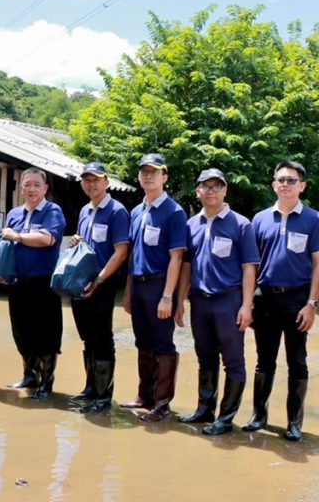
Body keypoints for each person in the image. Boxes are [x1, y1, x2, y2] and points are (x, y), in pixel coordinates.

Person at [174, 169, 259, 435]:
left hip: (229, 300)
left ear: (225, 190)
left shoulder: (241, 224)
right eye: (206, 186)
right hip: (200, 300)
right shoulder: (191, 224)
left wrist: (246, 305)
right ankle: (205, 409)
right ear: (198, 191)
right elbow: (187, 265)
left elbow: (249, 267)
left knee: (233, 361)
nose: (211, 191)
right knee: (205, 357)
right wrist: (180, 301)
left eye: (217, 186)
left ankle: (226, 418)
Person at [244, 160, 319, 441]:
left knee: (297, 361)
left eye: (291, 180)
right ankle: (258, 416)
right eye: (281, 180)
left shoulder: (313, 219)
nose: (285, 184)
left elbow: (318, 264)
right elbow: (251, 265)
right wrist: (247, 302)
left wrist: (312, 305)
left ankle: (294, 422)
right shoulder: (260, 219)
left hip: (298, 299)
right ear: (274, 185)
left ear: (302, 186)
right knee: (264, 361)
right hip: (265, 299)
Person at [121, 153, 187, 422]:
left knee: (163, 344)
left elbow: (177, 257)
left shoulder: (174, 212)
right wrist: (128, 291)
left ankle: (162, 404)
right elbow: (132, 254)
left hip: (160, 286)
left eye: (154, 172)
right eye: (144, 172)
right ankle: (144, 396)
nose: (148, 176)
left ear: (164, 177)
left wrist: (168, 296)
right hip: (138, 285)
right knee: (142, 342)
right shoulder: (137, 211)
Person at [68, 162, 129, 412]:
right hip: (81, 282)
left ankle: (103, 398)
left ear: (106, 182)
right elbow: (85, 245)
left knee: (102, 338)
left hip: (102, 283)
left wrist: (100, 280)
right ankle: (91, 389)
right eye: (87, 180)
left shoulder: (116, 211)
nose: (91, 184)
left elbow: (121, 252)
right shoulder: (85, 210)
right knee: (88, 337)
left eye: (96, 180)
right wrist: (76, 240)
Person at [2, 168, 65, 400]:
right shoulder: (14, 214)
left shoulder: (52, 211)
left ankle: (46, 384)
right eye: (27, 184)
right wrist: (3, 272)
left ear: (45, 188)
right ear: (21, 188)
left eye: (36, 185)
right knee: (21, 331)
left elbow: (47, 239)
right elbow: (7, 248)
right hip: (18, 282)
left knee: (46, 333)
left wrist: (18, 236)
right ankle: (30, 375)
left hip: (44, 282)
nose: (31, 189)